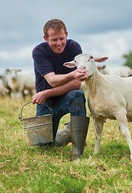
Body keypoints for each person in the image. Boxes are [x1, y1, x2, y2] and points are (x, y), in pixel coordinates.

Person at [31, 19, 90, 160]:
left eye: (62, 38)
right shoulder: (39, 52)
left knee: (77, 94)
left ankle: (77, 153)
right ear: (46, 38)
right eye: (54, 39)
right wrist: (73, 75)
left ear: (67, 35)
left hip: (64, 98)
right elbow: (52, 80)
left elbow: (77, 84)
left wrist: (46, 93)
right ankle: (69, 132)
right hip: (46, 104)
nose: (59, 43)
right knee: (45, 146)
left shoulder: (74, 48)